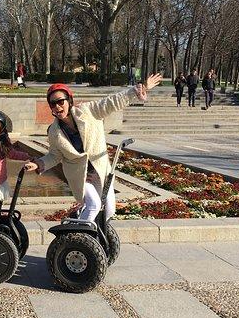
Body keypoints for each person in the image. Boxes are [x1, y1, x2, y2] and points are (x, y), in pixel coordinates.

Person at [27, 74, 162, 222]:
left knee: (109, 210)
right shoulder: (54, 131)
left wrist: (137, 91)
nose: (57, 106)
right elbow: (54, 155)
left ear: (69, 101)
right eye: (52, 104)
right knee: (94, 205)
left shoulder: (88, 111)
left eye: (60, 101)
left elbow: (111, 102)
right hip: (80, 176)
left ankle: (90, 232)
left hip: (100, 170)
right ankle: (79, 240)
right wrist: (39, 163)